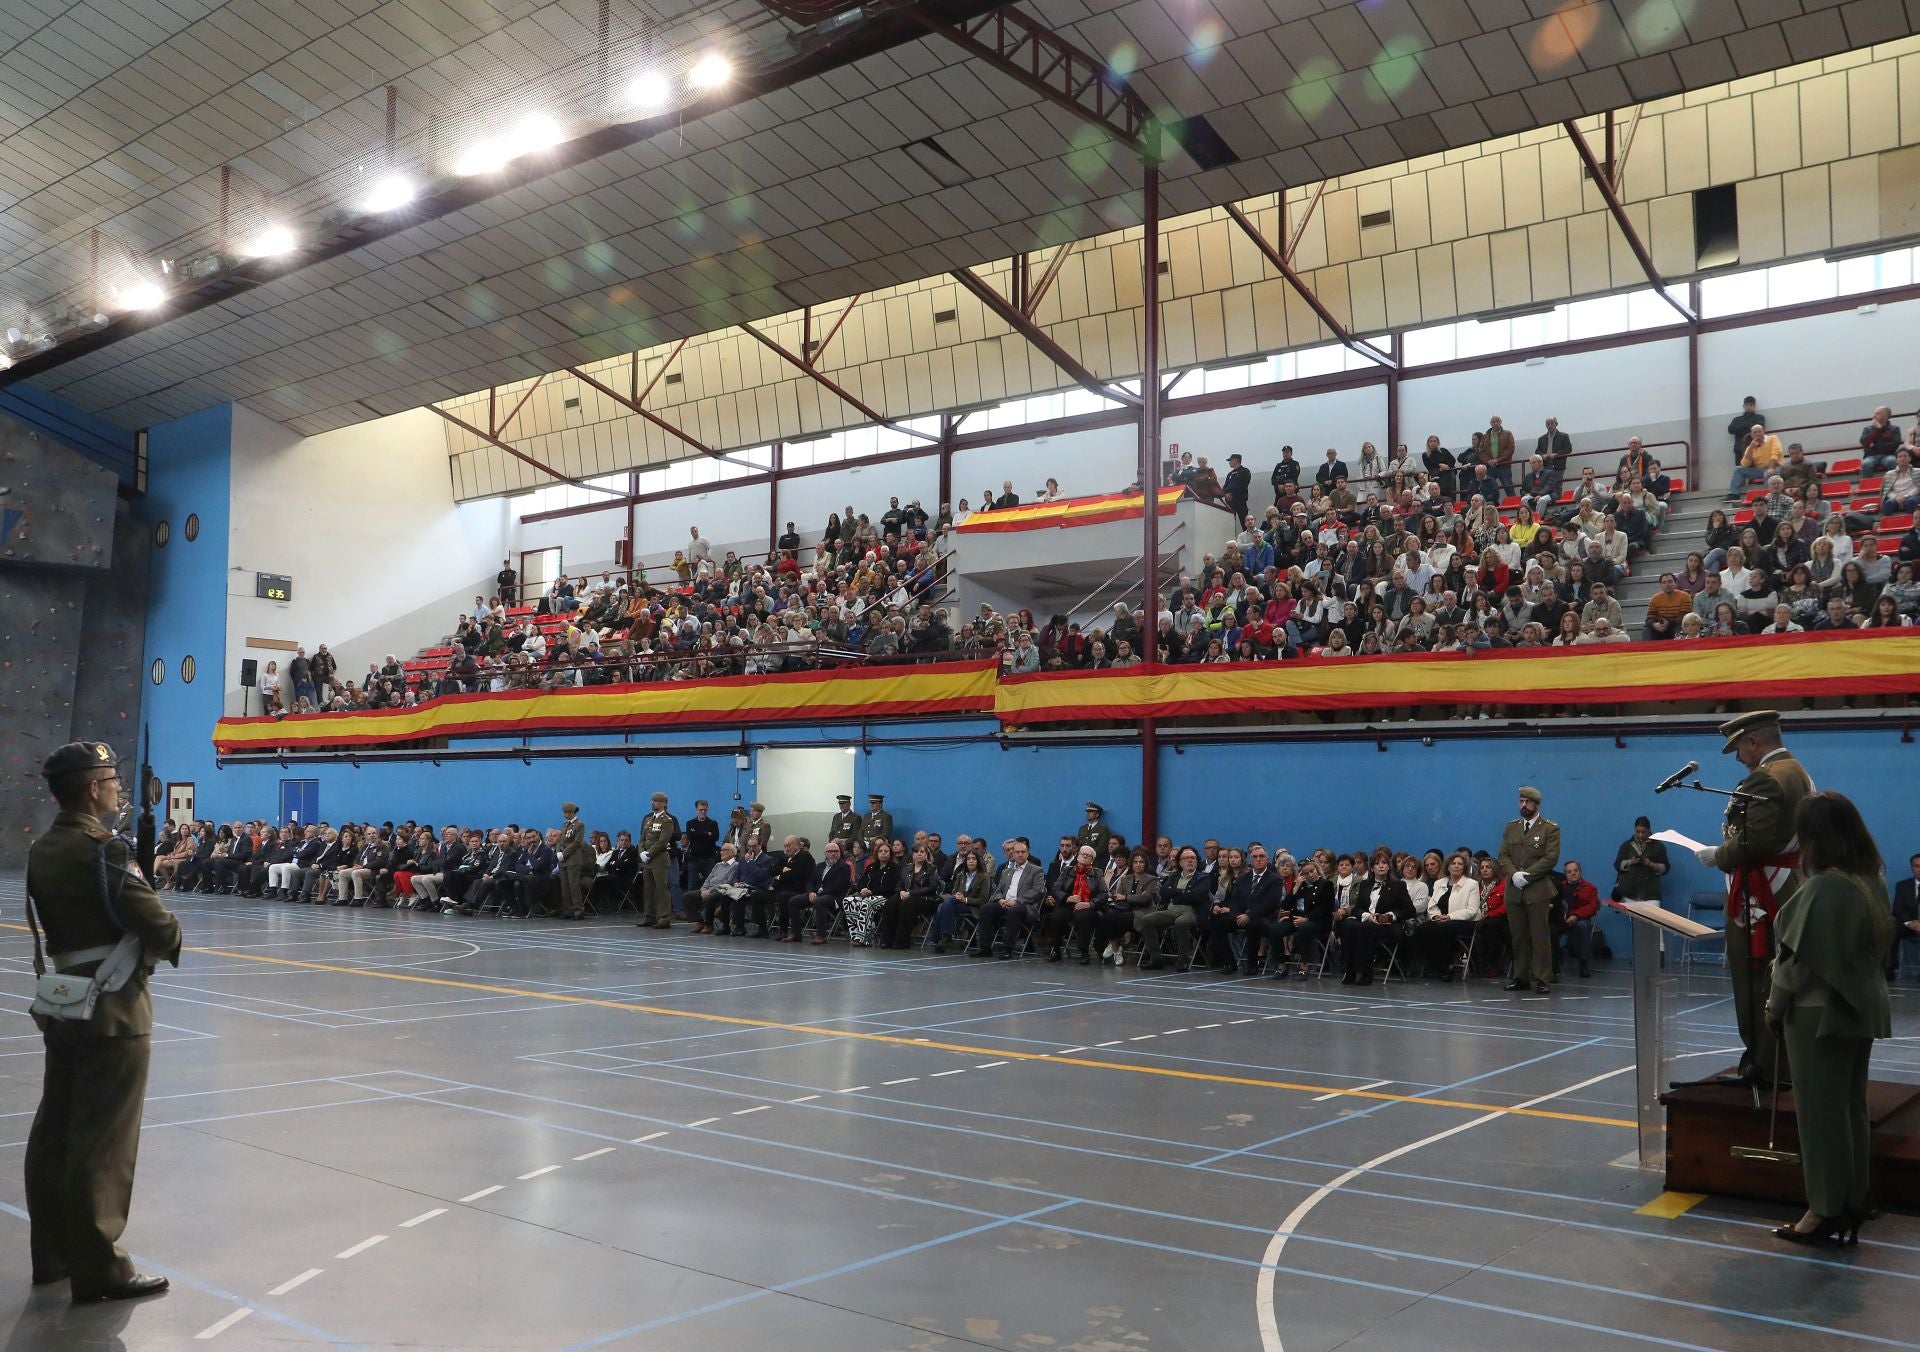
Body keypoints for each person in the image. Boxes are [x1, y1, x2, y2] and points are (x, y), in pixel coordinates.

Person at [24, 741, 180, 1304]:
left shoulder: (45, 847)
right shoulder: (105, 849)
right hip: (115, 1010)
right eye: (111, 779)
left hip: (66, 1003)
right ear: (93, 788)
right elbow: (156, 924)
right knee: (103, 1143)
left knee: (56, 1132)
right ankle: (100, 1268)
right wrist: (171, 932)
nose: (117, 787)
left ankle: (54, 1255)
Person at [1765, 791, 1892, 1246]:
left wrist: (1774, 1006)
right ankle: (1854, 1199)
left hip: (1819, 1013)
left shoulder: (1825, 887)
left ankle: (1823, 1210)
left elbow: (1796, 962)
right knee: (1851, 1109)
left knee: (1819, 1117)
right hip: (1863, 1004)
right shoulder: (1869, 879)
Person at [1690, 710, 1814, 1088]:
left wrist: (1720, 855)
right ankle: (1778, 1062)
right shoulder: (1798, 772)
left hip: (1763, 894)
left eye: (1740, 748)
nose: (1740, 757)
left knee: (1756, 978)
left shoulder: (1766, 778)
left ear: (1754, 742)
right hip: (1788, 886)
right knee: (1777, 975)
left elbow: (1755, 842)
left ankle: (1766, 1064)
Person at [1498, 786, 1561, 994]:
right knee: (1518, 936)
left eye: (1528, 802)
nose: (1523, 805)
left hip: (1538, 890)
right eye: (1521, 801)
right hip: (1514, 890)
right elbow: (1503, 855)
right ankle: (1521, 976)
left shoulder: (1549, 828)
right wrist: (1514, 874)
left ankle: (1543, 977)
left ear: (1537, 804)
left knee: (1540, 937)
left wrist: (1527, 875)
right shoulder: (1511, 827)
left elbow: (1550, 858)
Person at [974, 838, 1045, 958]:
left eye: (1023, 852)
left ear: (1027, 853)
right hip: (1005, 903)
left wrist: (1016, 901)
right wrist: (1000, 899)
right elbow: (998, 890)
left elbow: (1038, 891)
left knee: (1014, 910)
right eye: (1017, 852)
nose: (1020, 854)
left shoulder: (1036, 871)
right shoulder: (1006, 871)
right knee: (986, 909)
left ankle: (1007, 949)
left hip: (1025, 906)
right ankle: (985, 948)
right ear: (1013, 854)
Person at [1139, 845, 1205, 969]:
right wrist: (1184, 893)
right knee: (1146, 919)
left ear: (1197, 861)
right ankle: (1156, 958)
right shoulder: (1174, 876)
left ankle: (1183, 960)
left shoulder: (1203, 877)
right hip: (1172, 910)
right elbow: (1164, 891)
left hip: (1192, 912)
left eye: (1193, 858)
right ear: (1180, 862)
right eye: (1186, 858)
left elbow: (1198, 896)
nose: (1190, 860)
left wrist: (1176, 893)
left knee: (1181, 922)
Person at [637, 793, 677, 929]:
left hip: (659, 859)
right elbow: (642, 839)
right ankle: (650, 916)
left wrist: (649, 853)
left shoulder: (667, 820)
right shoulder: (648, 820)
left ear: (664, 803)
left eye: (656, 801)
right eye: (652, 800)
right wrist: (641, 851)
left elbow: (662, 841)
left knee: (661, 890)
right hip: (647, 860)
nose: (653, 803)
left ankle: (664, 918)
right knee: (648, 890)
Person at [1613, 816, 1670, 911]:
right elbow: (1617, 865)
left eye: (1643, 832)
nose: (1640, 835)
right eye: (1637, 831)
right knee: (1634, 922)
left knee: (1653, 920)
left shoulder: (1658, 847)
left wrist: (1651, 864)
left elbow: (1666, 868)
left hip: (1650, 893)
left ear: (1649, 830)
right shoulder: (1626, 845)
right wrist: (1631, 861)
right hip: (1629, 891)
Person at [557, 801, 591, 920]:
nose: (565, 815)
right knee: (564, 886)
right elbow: (560, 840)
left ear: (572, 812)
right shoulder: (564, 825)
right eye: (564, 812)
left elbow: (577, 842)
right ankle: (568, 910)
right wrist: (559, 852)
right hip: (563, 859)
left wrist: (564, 853)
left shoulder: (579, 825)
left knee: (573, 886)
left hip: (573, 859)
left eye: (567, 812)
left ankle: (578, 910)